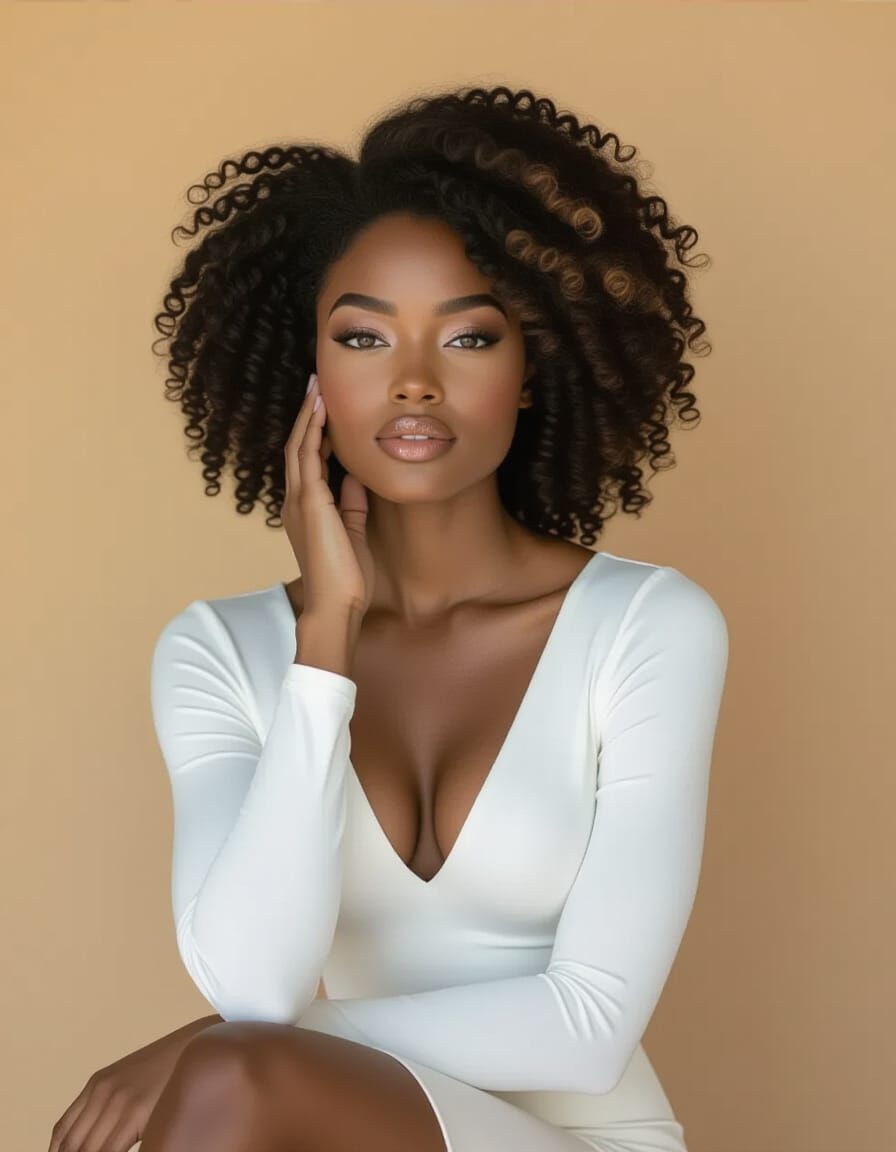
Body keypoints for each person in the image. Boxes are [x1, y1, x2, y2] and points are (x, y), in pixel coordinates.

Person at [50, 84, 729, 1152]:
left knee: (231, 1078)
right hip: (323, 1122)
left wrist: (196, 1044)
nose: (412, 385)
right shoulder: (217, 652)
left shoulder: (646, 626)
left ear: (530, 368)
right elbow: (257, 983)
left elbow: (587, 1029)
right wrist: (324, 638)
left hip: (582, 1138)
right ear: (307, 370)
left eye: (467, 340)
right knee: (241, 1076)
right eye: (363, 340)